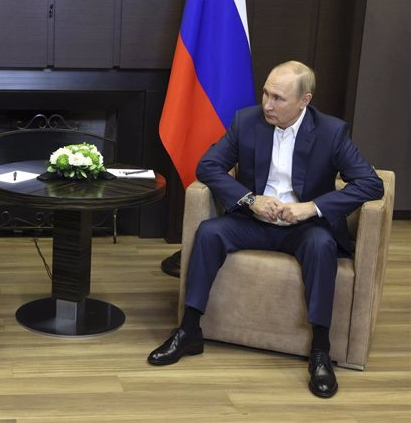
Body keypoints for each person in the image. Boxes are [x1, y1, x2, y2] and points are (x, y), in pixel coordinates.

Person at [147, 61, 384, 398]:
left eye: (278, 98)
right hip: (253, 221)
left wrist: (312, 207)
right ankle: (189, 331)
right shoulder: (246, 121)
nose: (267, 104)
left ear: (304, 101)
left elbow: (371, 184)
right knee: (209, 232)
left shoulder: (332, 132)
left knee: (322, 246)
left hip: (303, 227)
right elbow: (208, 165)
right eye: (265, 93)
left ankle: (320, 349)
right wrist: (249, 199)